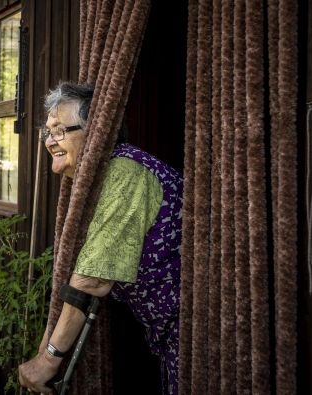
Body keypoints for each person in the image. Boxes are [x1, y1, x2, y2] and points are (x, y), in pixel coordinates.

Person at [18, 82, 183, 394]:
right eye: (47, 132)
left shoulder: (124, 171)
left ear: (95, 132)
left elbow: (94, 278)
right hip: (166, 333)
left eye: (59, 130)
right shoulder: (97, 180)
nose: (50, 141)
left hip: (189, 326)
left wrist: (49, 359)